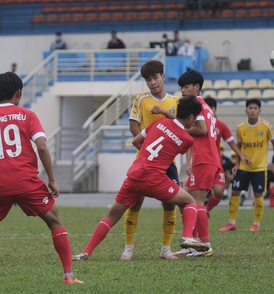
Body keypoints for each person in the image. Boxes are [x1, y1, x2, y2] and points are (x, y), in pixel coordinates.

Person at [0, 72, 82, 284]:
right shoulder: (27, 115)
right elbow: (41, 147)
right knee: (55, 221)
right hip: (26, 181)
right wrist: (52, 180)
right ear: (18, 93)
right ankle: (68, 276)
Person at [73, 97, 206, 261]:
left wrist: (146, 156)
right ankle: (186, 238)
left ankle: (86, 252)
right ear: (191, 117)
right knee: (189, 201)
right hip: (155, 180)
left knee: (111, 216)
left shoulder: (158, 123)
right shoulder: (187, 139)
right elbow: (176, 144)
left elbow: (136, 141)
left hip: (134, 176)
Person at [121, 60, 180, 261]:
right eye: (148, 80)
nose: (152, 82)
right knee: (135, 203)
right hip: (144, 160)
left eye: (155, 78)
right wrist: (147, 150)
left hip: (167, 163)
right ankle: (128, 248)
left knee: (170, 204)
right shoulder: (141, 99)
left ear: (163, 77)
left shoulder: (175, 102)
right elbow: (133, 127)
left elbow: (180, 130)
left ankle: (166, 248)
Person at [176, 70, 221, 256]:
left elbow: (201, 130)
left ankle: (205, 245)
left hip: (205, 158)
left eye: (186, 87)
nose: (183, 91)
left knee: (197, 202)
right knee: (184, 199)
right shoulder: (205, 106)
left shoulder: (198, 105)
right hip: (205, 159)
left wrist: (180, 128)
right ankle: (194, 243)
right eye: (181, 88)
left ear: (197, 87)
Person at [219, 98, 274, 233]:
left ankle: (256, 223)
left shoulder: (266, 126)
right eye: (250, 108)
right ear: (246, 110)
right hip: (243, 168)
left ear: (259, 110)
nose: (253, 110)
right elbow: (239, 147)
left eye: (255, 108)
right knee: (234, 192)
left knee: (258, 194)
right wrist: (237, 164)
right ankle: (231, 222)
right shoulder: (241, 127)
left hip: (259, 168)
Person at [203, 96, 250, 216]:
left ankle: (206, 210)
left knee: (219, 192)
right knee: (198, 194)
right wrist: (189, 162)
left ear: (215, 110)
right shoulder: (198, 125)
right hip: (201, 164)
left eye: (211, 108)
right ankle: (195, 220)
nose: (209, 110)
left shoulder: (221, 125)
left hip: (216, 164)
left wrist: (241, 155)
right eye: (206, 108)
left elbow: (231, 142)